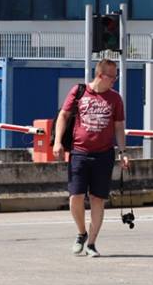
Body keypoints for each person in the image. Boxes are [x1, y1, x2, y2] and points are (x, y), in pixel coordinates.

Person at [52, 59, 129, 258]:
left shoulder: (115, 99)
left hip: (104, 154)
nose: (115, 80)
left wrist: (123, 152)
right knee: (75, 197)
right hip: (79, 152)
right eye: (112, 77)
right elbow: (63, 116)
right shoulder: (79, 91)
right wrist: (57, 142)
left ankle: (92, 243)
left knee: (98, 199)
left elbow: (119, 126)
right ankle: (81, 232)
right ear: (101, 75)